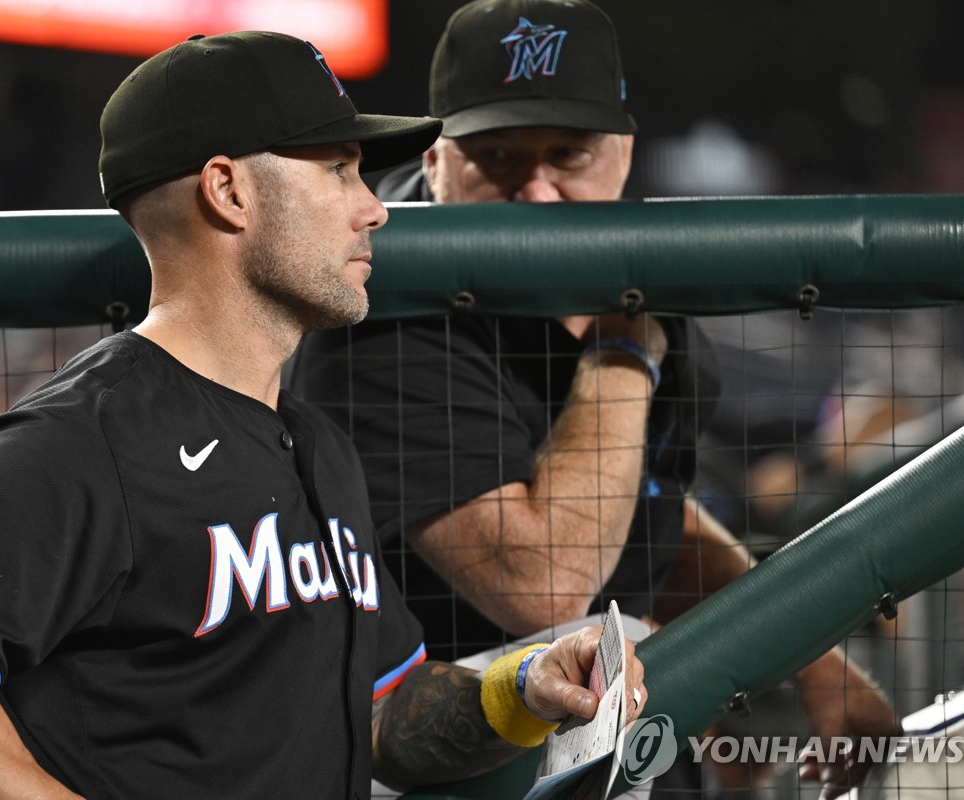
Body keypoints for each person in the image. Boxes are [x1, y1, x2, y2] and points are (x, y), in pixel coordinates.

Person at [0, 31, 646, 798]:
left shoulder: (318, 444)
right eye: (339, 169)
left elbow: (388, 716)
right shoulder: (85, 436)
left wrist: (528, 685)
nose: (373, 207)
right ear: (229, 190)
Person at [290, 1, 896, 796]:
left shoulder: (633, 269)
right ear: (436, 162)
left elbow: (653, 511)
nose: (538, 194)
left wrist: (812, 656)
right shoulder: (381, 307)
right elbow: (541, 585)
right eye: (498, 155)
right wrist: (622, 350)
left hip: (610, 739)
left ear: (621, 155)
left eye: (568, 155)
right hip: (431, 760)